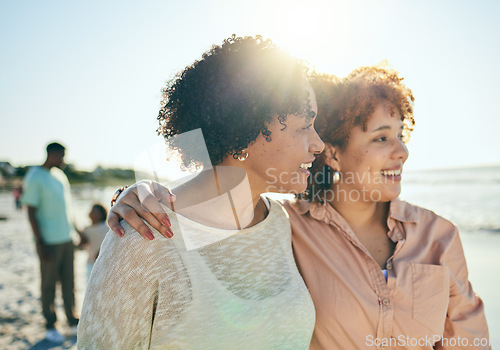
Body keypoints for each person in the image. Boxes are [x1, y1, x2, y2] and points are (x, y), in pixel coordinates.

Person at [111, 65, 490, 349]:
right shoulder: (285, 225)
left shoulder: (439, 235)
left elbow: (469, 340)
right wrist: (137, 192)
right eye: (381, 138)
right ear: (335, 154)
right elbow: (223, 199)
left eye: (401, 136)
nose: (402, 152)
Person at [77, 35, 324, 349]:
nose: (319, 144)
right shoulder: (144, 236)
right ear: (245, 125)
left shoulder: (283, 222)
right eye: (305, 125)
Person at [21, 142, 80, 343]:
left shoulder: (60, 176)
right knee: (48, 285)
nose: (63, 160)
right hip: (48, 241)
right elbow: (30, 211)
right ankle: (50, 324)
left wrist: (78, 231)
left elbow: (68, 209)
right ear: (52, 154)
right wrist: (40, 242)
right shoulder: (35, 176)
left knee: (69, 283)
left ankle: (72, 321)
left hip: (67, 239)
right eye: (61, 156)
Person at [79, 203, 108, 280]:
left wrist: (100, 251)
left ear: (102, 215)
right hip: (90, 263)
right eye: (92, 210)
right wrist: (81, 239)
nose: (92, 212)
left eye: (95, 211)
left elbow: (109, 245)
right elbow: (81, 246)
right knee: (91, 284)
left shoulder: (106, 229)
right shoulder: (86, 230)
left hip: (104, 263)